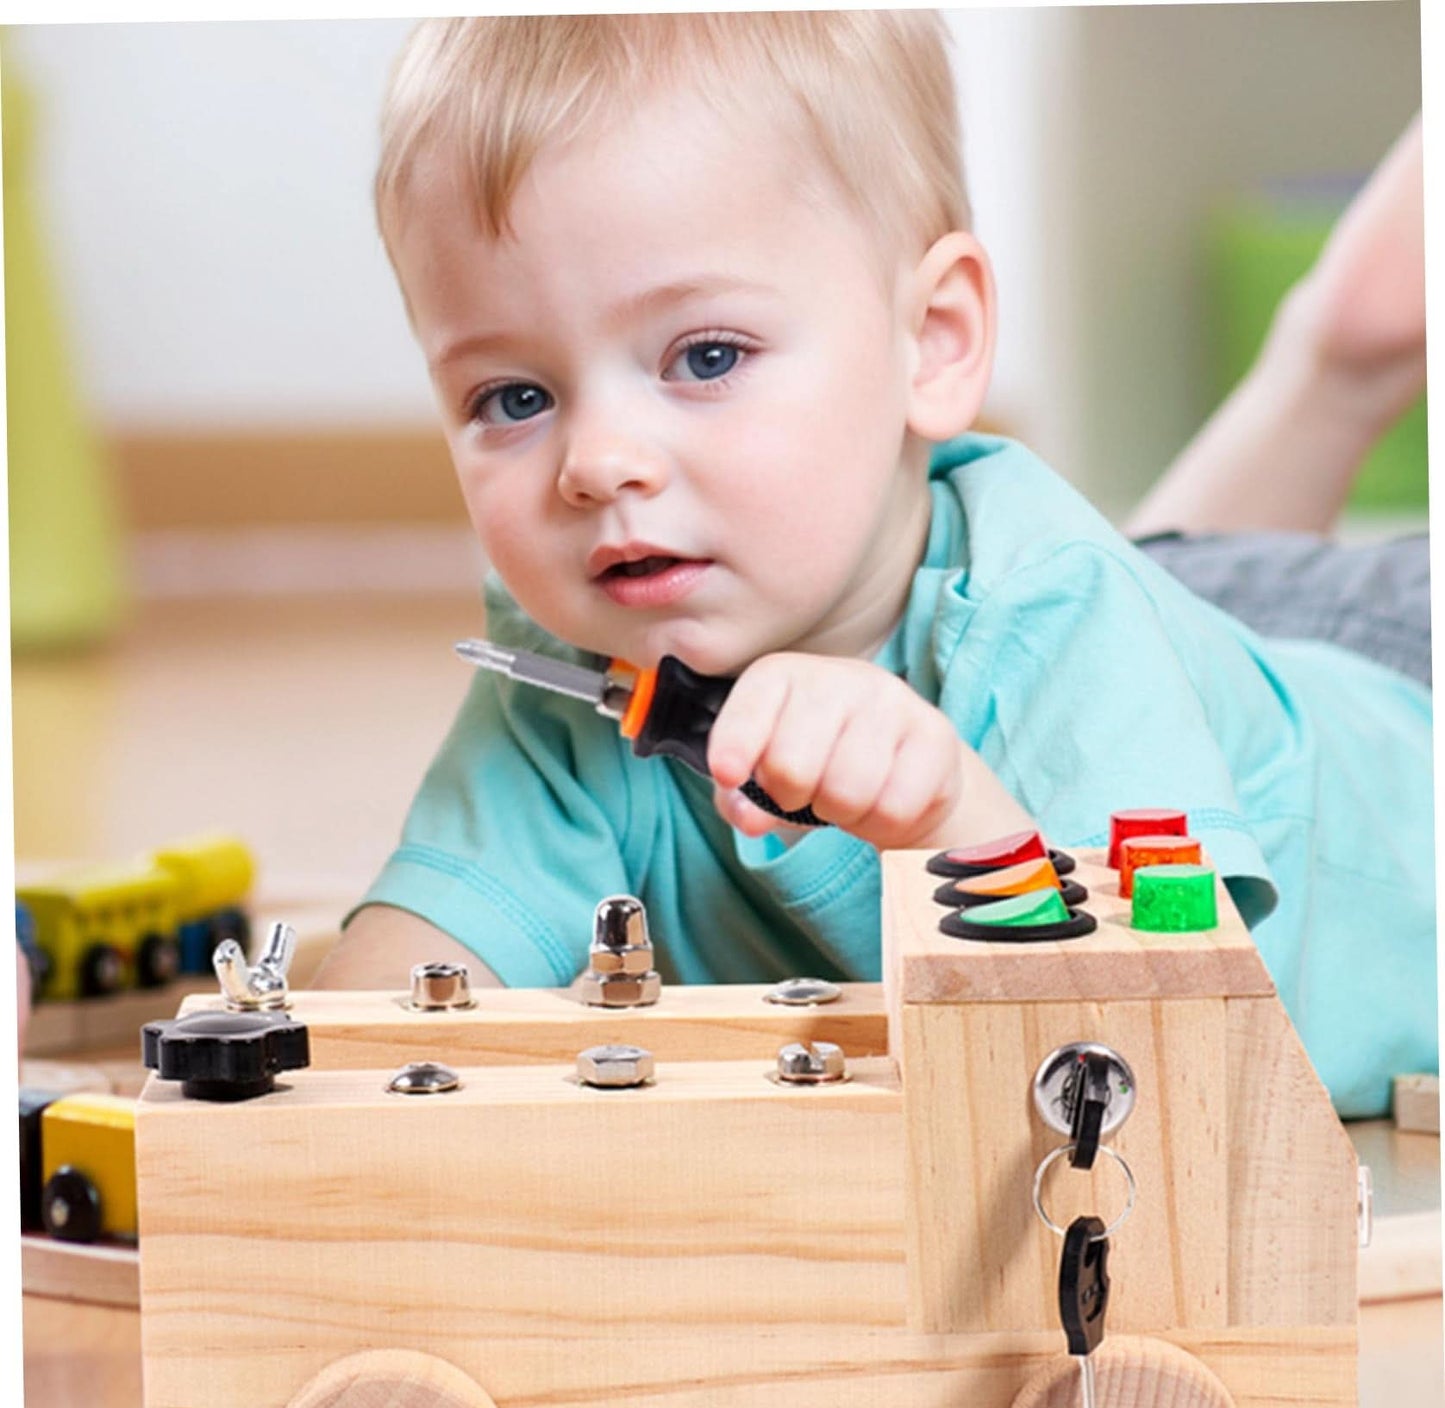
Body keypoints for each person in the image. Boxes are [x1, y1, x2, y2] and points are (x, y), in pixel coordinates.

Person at [314, 13, 1433, 1119]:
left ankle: (1341, 347)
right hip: (1198, 625)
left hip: (1395, 686)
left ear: (933, 340)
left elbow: (1145, 1062)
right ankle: (1338, 351)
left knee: (1137, 591)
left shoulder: (1057, 614)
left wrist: (949, 816)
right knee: (1166, 587)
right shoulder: (567, 675)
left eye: (704, 356)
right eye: (514, 397)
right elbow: (381, 1025)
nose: (597, 463)